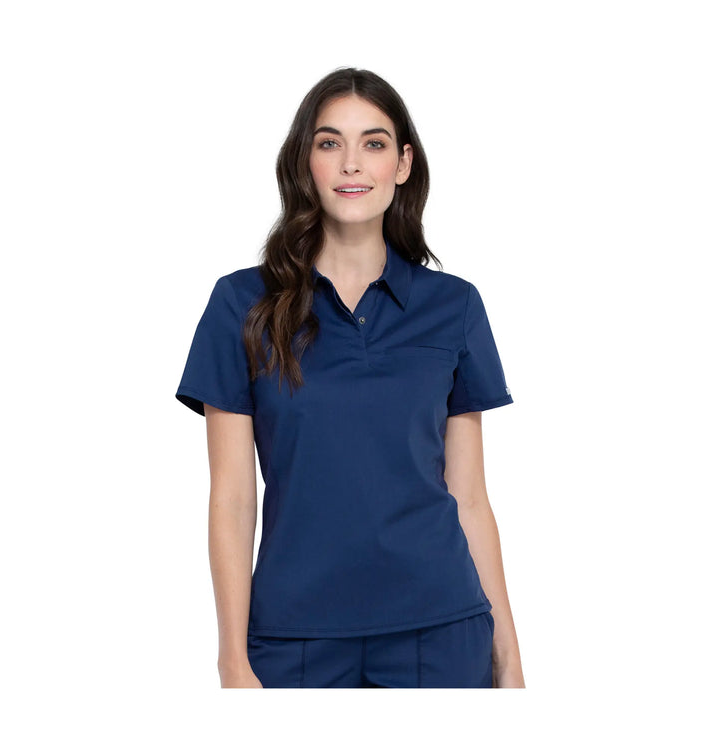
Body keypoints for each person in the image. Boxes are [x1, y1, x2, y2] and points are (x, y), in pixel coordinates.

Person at [175, 67, 526, 688]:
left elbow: (469, 495)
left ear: (403, 163)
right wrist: (231, 658)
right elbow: (231, 498)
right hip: (292, 637)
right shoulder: (241, 305)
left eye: (374, 143)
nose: (352, 163)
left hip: (441, 632)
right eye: (330, 142)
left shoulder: (454, 306)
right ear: (304, 161)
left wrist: (510, 657)